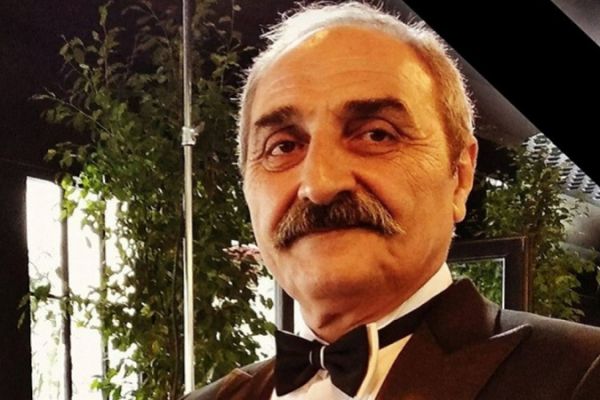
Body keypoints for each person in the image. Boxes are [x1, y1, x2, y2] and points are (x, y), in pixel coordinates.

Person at [184, 2, 600, 399]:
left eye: (376, 134)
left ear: (460, 176)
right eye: (283, 146)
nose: (320, 184)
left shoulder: (584, 374)